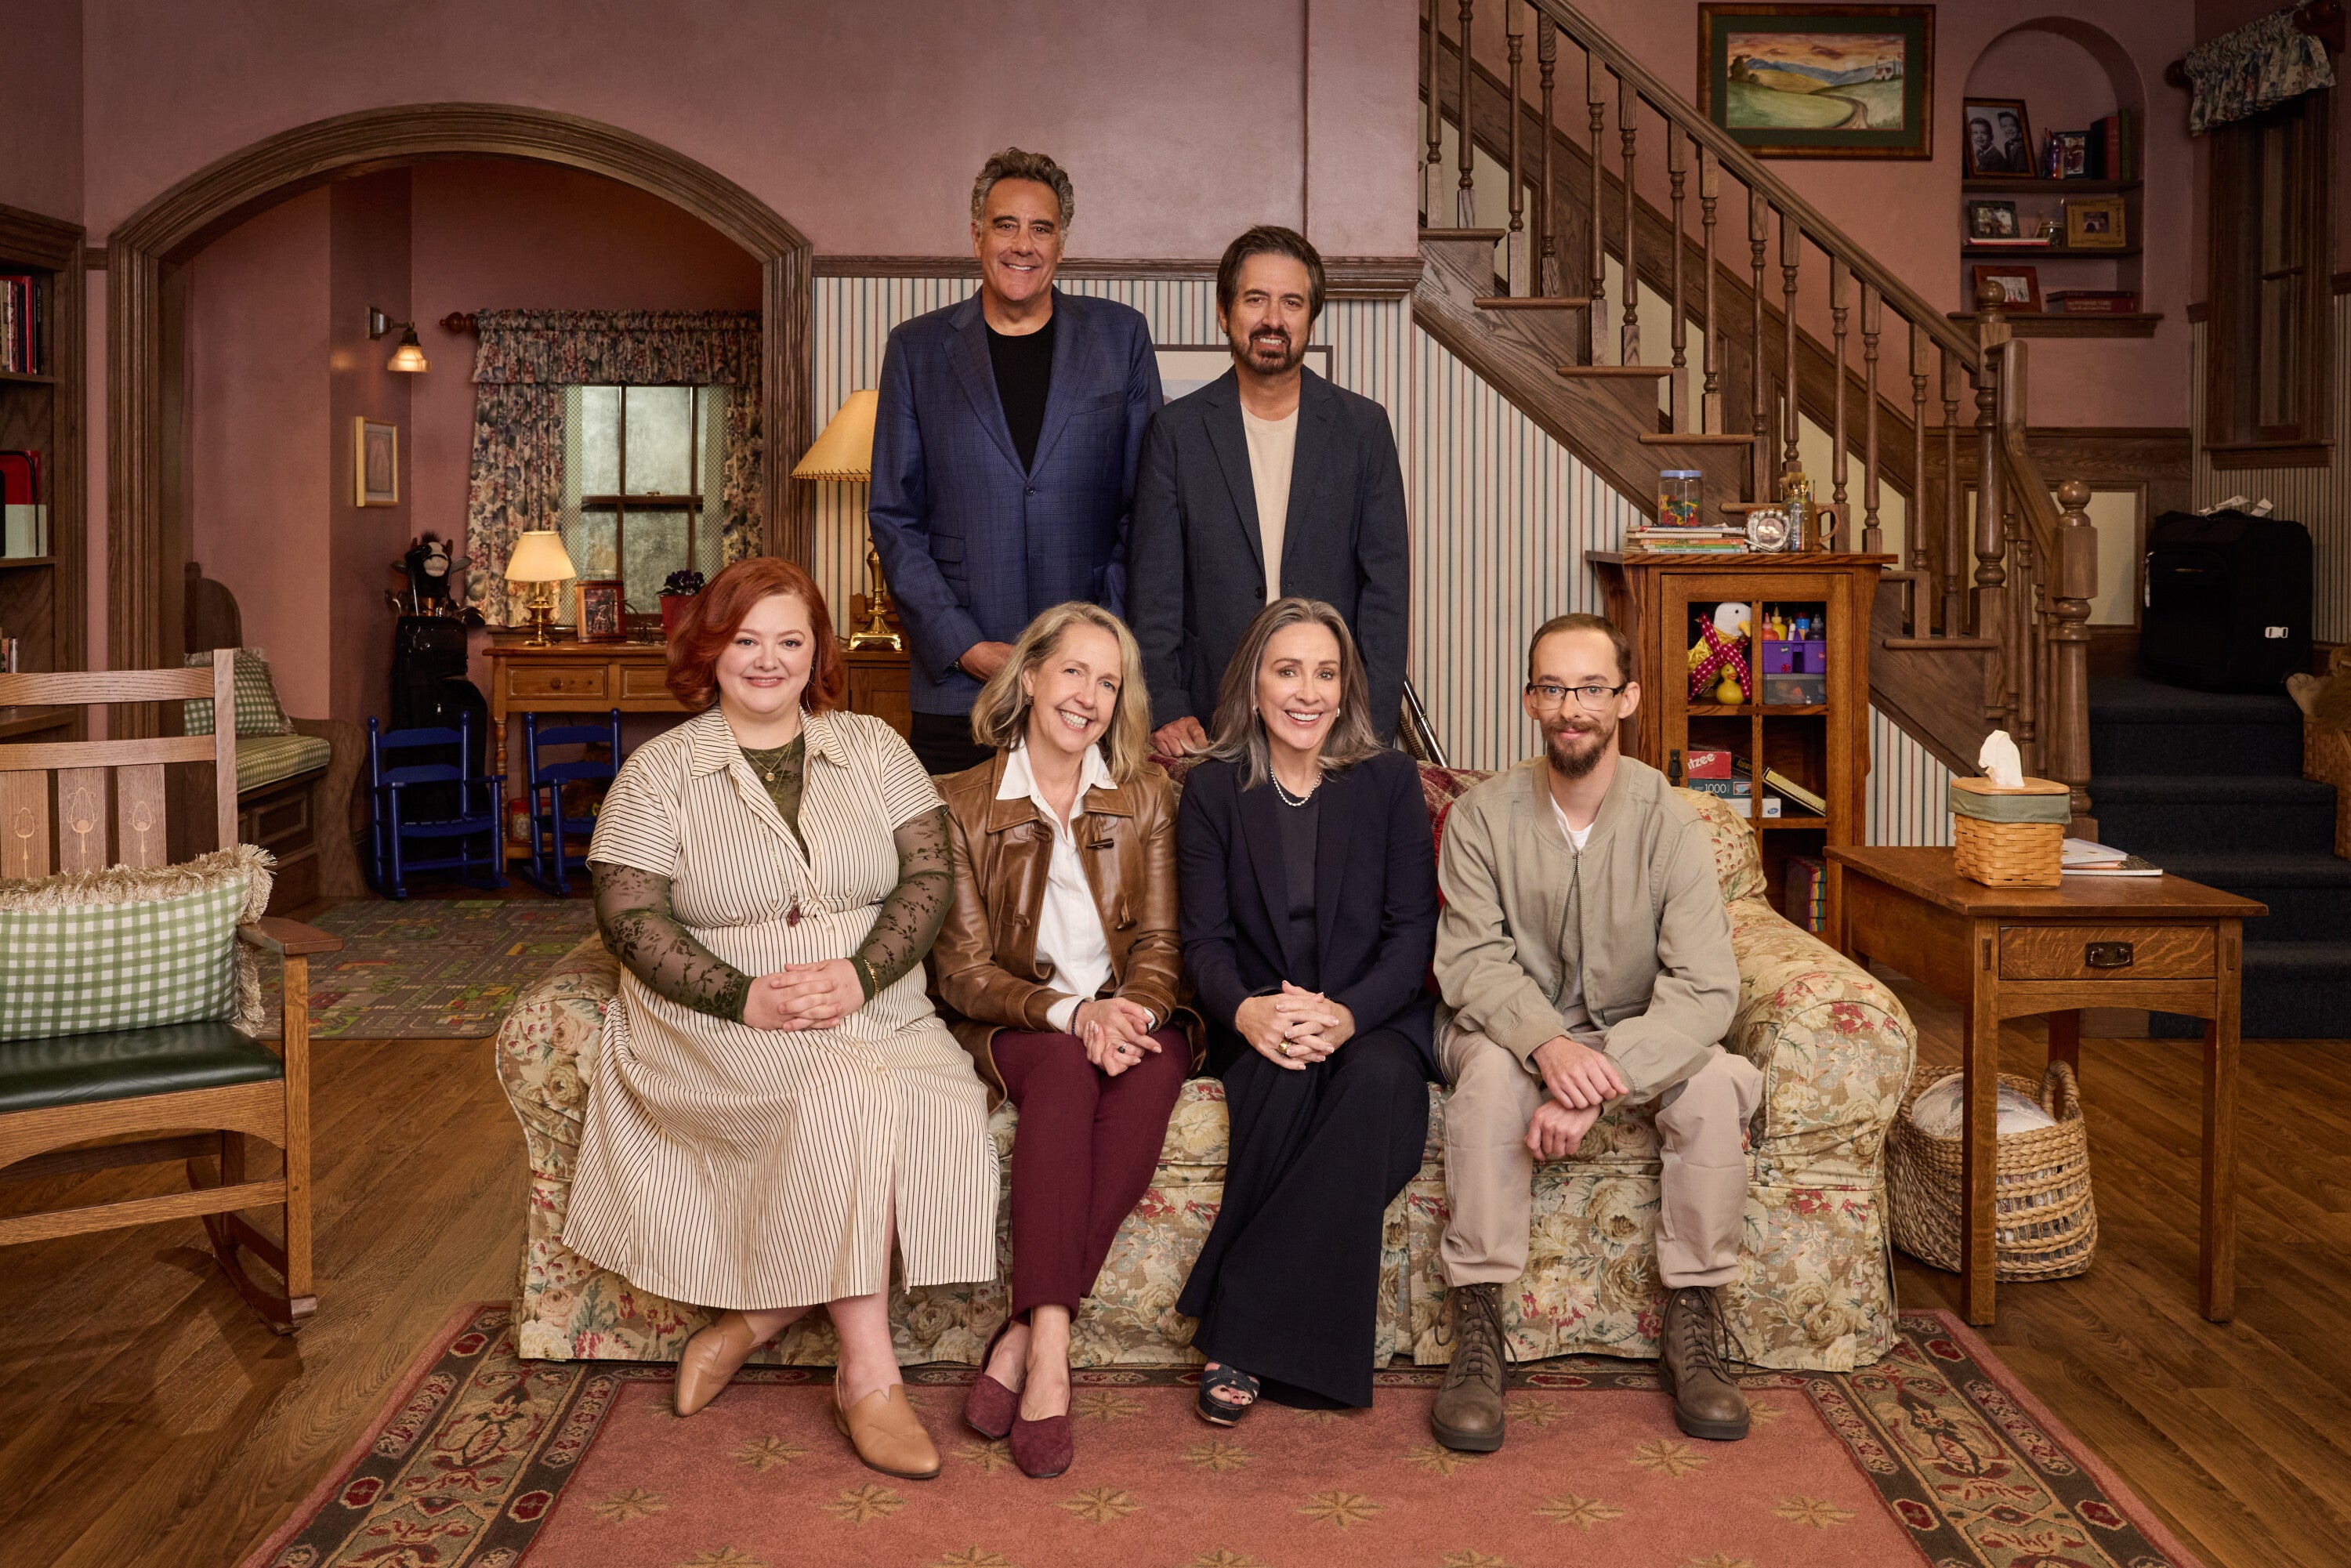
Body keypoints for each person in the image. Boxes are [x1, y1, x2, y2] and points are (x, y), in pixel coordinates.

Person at [564, 556, 996, 1482]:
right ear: (710, 650)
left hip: (872, 1001)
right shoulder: (660, 772)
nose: (768, 661)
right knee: (844, 1096)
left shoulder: (876, 748)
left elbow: (929, 880)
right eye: (746, 640)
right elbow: (628, 916)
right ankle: (868, 1378)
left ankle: (754, 1321)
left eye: (789, 641)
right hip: (720, 1018)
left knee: (941, 1105)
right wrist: (743, 994)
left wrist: (863, 972)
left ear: (816, 653)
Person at [1425, 611, 1755, 1454]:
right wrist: (1549, 1048)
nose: (1572, 708)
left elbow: (1705, 987)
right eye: (1554, 689)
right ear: (1529, 699)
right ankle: (1478, 1323)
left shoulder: (1672, 822)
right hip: (1506, 1032)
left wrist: (1597, 1079)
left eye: (1591, 689)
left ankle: (1695, 1315)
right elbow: (1470, 963)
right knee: (1493, 1082)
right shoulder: (1480, 817)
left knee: (1715, 1084)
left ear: (1628, 698)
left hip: (1639, 1033)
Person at [930, 601, 1197, 1479]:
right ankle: (1054, 1352)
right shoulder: (957, 805)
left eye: (1109, 683)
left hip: (1132, 1013)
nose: (1088, 696)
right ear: (1031, 675)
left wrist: (1133, 1015)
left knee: (1150, 1079)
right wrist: (1071, 1014)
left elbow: (1160, 947)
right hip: (1019, 1021)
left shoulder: (1146, 795)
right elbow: (964, 972)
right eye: (1074, 672)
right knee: (1067, 1079)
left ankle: (1027, 1336)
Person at [1172, 597, 1438, 1420]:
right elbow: (1203, 943)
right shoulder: (1212, 788)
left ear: (1348, 687)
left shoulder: (1390, 780)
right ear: (1254, 684)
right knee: (1282, 1084)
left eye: (1326, 672)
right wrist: (1250, 1014)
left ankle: (1237, 1329)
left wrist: (1350, 1016)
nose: (1307, 691)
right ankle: (1266, 1332)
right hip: (1260, 1018)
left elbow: (1411, 936)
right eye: (1287, 670)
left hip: (1373, 1017)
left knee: (1377, 1089)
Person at [868, 147, 1163, 775]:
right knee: (958, 869)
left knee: (1088, 868)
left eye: (1041, 228)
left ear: (1062, 242)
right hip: (958, 688)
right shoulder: (916, 351)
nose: (1022, 245)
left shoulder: (1121, 339)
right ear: (977, 235)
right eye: (1006, 225)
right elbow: (894, 517)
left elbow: (1148, 509)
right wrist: (963, 644)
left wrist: (1093, 645)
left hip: (1089, 692)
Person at [1130, 226, 1410, 755]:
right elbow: (1155, 591)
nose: (1273, 320)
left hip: (1330, 718)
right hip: (1210, 722)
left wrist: (1367, 724)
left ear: (1310, 316)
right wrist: (1166, 706)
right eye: (1255, 299)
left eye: (1291, 303)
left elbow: (1386, 593)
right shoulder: (1175, 432)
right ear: (1224, 311)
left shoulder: (1363, 429)